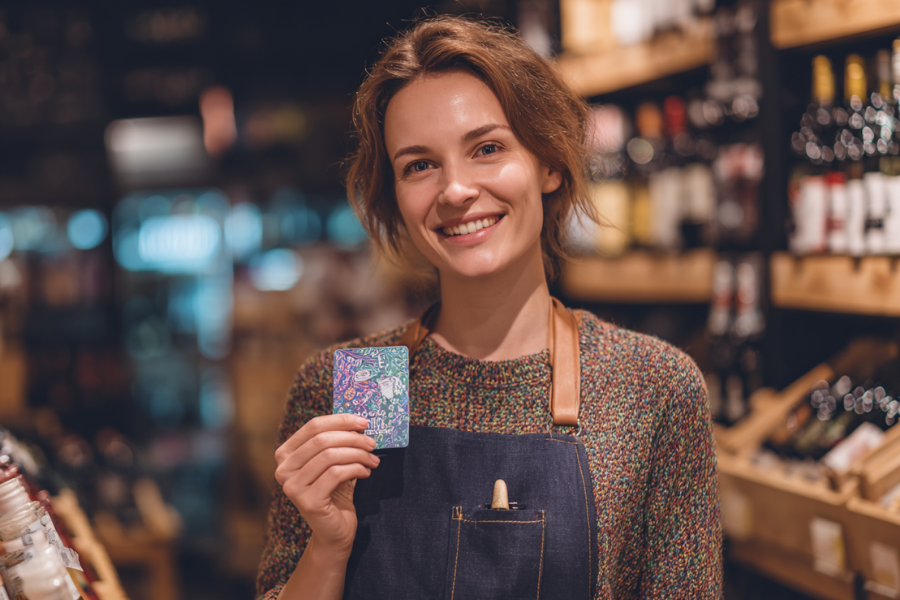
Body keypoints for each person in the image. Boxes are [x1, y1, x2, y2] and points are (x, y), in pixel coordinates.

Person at [256, 15, 721, 600]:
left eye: (487, 148)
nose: (454, 190)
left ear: (549, 163)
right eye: (419, 164)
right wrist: (328, 544)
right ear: (396, 197)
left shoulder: (649, 387)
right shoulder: (363, 384)